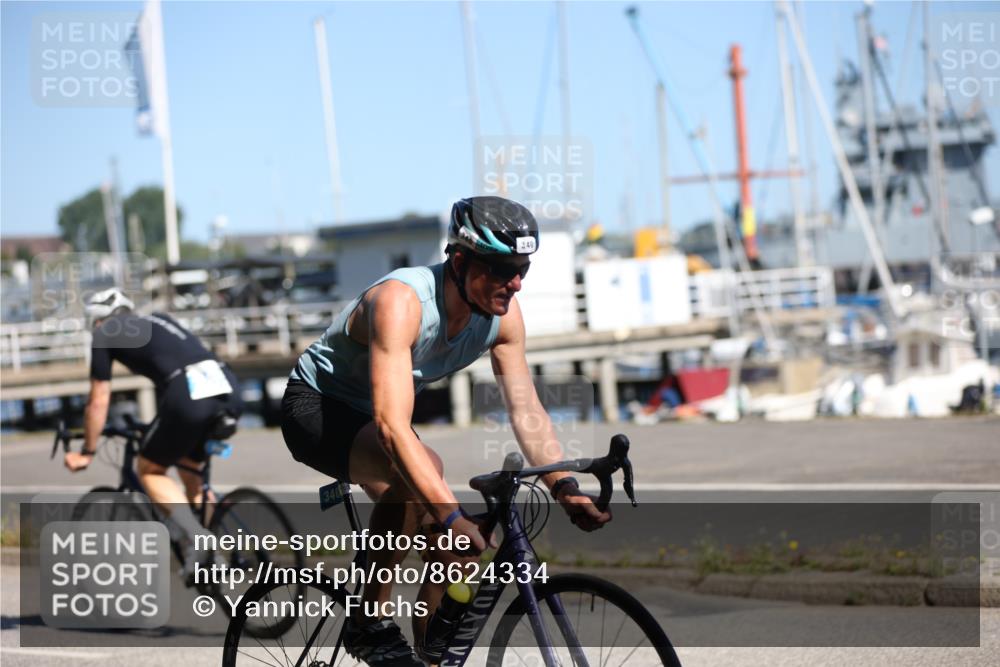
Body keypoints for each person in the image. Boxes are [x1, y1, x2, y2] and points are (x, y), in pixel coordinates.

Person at [281, 196, 612, 666]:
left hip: (375, 417)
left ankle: (428, 659)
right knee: (429, 481)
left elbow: (525, 408)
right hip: (316, 408)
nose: (514, 283)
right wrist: (454, 516)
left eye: (523, 269)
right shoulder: (401, 302)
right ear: (460, 261)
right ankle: (367, 623)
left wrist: (564, 486)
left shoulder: (503, 315)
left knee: (454, 550)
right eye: (501, 269)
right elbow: (393, 431)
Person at [65, 287, 243, 576]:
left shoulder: (104, 333)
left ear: (97, 320)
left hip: (188, 394)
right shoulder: (159, 320)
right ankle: (214, 558)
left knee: (149, 468)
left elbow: (98, 400)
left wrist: (87, 450)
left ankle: (199, 540)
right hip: (228, 387)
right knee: (190, 473)